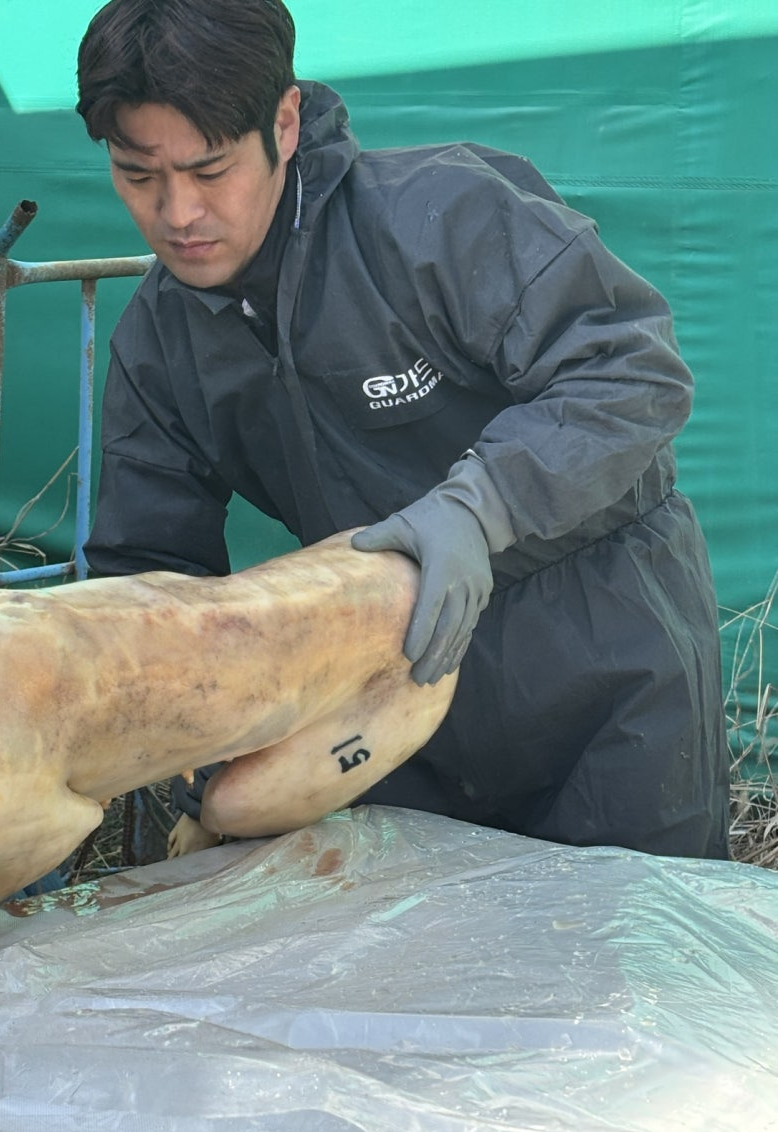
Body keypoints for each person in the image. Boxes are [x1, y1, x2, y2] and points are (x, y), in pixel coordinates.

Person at [75, 0, 730, 859]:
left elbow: (630, 369)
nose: (177, 214)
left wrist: (479, 505)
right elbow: (146, 574)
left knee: (632, 971)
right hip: (388, 706)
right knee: (424, 981)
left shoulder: (437, 218)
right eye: (137, 175)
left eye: (210, 169)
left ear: (285, 120)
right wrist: (191, 728)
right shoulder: (159, 340)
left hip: (603, 677)